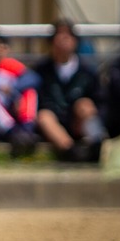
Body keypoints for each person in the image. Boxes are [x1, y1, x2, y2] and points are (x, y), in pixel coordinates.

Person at [33, 19, 106, 162]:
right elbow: (40, 101)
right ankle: (70, 150)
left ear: (75, 42)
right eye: (58, 36)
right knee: (44, 116)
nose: (63, 40)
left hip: (78, 122)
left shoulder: (88, 71)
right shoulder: (41, 71)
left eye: (68, 36)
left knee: (85, 105)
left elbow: (100, 101)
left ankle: (97, 145)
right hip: (54, 123)